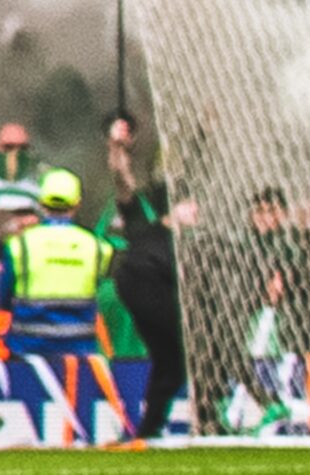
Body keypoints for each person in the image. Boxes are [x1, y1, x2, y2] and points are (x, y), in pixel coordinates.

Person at [105, 120, 187, 440]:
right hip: (140, 282)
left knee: (171, 361)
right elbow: (122, 179)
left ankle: (148, 429)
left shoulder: (187, 243)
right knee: (180, 350)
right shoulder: (143, 218)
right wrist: (116, 147)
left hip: (143, 288)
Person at [0, 168, 109, 357]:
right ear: (77, 203)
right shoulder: (97, 247)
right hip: (79, 352)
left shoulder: (19, 245)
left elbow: (2, 299)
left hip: (27, 351)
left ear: (41, 203)